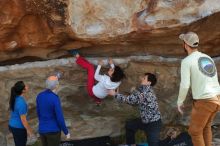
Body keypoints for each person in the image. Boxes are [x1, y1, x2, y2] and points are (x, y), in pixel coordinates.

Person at [177, 31, 220, 146]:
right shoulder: (207, 57)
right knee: (205, 127)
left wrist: (179, 101)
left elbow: (185, 85)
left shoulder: (186, 61)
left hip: (205, 100)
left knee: (194, 132)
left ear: (185, 44)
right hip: (216, 98)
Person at [108, 73, 162, 146]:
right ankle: (131, 144)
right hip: (145, 121)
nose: (142, 78)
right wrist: (134, 91)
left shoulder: (147, 93)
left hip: (153, 124)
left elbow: (131, 100)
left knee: (153, 144)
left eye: (144, 78)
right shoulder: (144, 88)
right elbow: (139, 93)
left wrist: (115, 94)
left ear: (149, 82)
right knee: (130, 125)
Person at [36, 75, 70, 146]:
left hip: (42, 129)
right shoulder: (55, 98)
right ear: (56, 86)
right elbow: (60, 118)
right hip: (53, 131)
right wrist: (66, 132)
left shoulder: (39, 96)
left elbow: (38, 113)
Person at [8, 81, 34, 146]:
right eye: (25, 86)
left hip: (12, 125)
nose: (27, 86)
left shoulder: (15, 98)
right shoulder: (21, 103)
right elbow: (23, 120)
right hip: (18, 128)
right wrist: (30, 132)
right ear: (23, 90)